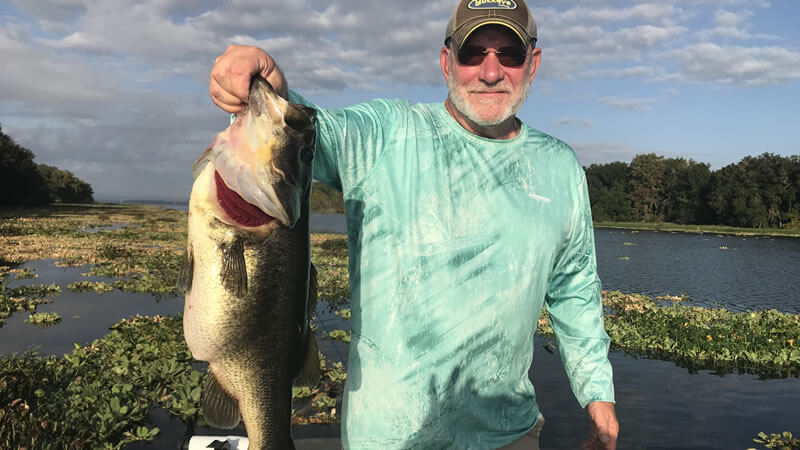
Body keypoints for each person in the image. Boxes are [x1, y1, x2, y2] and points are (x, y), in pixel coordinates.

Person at [209, 0, 619, 448]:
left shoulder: (560, 166)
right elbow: (304, 134)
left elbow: (574, 288)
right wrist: (267, 83)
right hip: (387, 437)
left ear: (533, 63)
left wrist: (597, 395)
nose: (490, 71)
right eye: (472, 52)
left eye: (509, 54)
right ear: (447, 61)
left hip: (509, 433)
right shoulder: (386, 133)